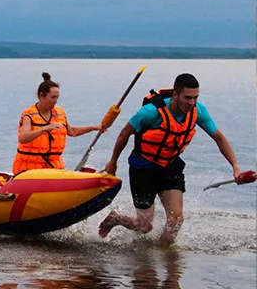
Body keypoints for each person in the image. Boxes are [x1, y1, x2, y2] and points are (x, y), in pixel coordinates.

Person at [98, 73, 241, 245]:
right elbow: (124, 134)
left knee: (176, 221)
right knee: (144, 226)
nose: (192, 103)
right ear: (175, 94)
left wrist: (235, 167)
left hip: (170, 166)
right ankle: (116, 218)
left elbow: (219, 137)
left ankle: (162, 256)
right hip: (143, 167)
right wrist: (113, 162)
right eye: (187, 97)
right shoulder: (151, 112)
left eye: (195, 98)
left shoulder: (198, 111)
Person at [12, 72, 103, 174]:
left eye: (57, 97)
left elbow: (72, 131)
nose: (55, 101)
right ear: (41, 96)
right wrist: (45, 128)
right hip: (29, 170)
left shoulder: (60, 113)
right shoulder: (29, 115)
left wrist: (92, 128)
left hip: (53, 168)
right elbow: (23, 138)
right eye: (53, 97)